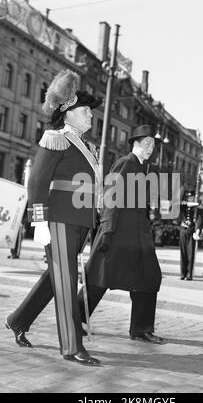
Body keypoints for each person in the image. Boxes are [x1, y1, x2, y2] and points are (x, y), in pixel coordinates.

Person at [5, 69, 102, 365]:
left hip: (79, 221)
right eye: (85, 111)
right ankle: (71, 346)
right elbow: (36, 183)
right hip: (58, 220)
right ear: (68, 112)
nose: (90, 116)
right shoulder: (55, 139)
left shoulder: (86, 146)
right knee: (65, 279)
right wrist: (39, 222)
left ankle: (17, 320)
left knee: (56, 277)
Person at [78, 125, 164, 344]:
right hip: (117, 232)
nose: (150, 149)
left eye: (153, 145)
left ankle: (141, 329)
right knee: (100, 277)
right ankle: (73, 319)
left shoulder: (146, 169)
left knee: (149, 278)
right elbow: (110, 197)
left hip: (138, 235)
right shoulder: (126, 163)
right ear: (135, 144)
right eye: (147, 144)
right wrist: (106, 230)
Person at [176, 189, 200, 281]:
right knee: (183, 254)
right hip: (183, 231)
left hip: (191, 232)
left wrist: (197, 230)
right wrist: (185, 203)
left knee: (190, 254)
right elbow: (176, 205)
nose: (190, 199)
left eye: (192, 197)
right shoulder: (183, 206)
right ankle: (183, 273)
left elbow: (200, 219)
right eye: (189, 197)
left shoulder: (197, 208)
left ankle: (189, 274)